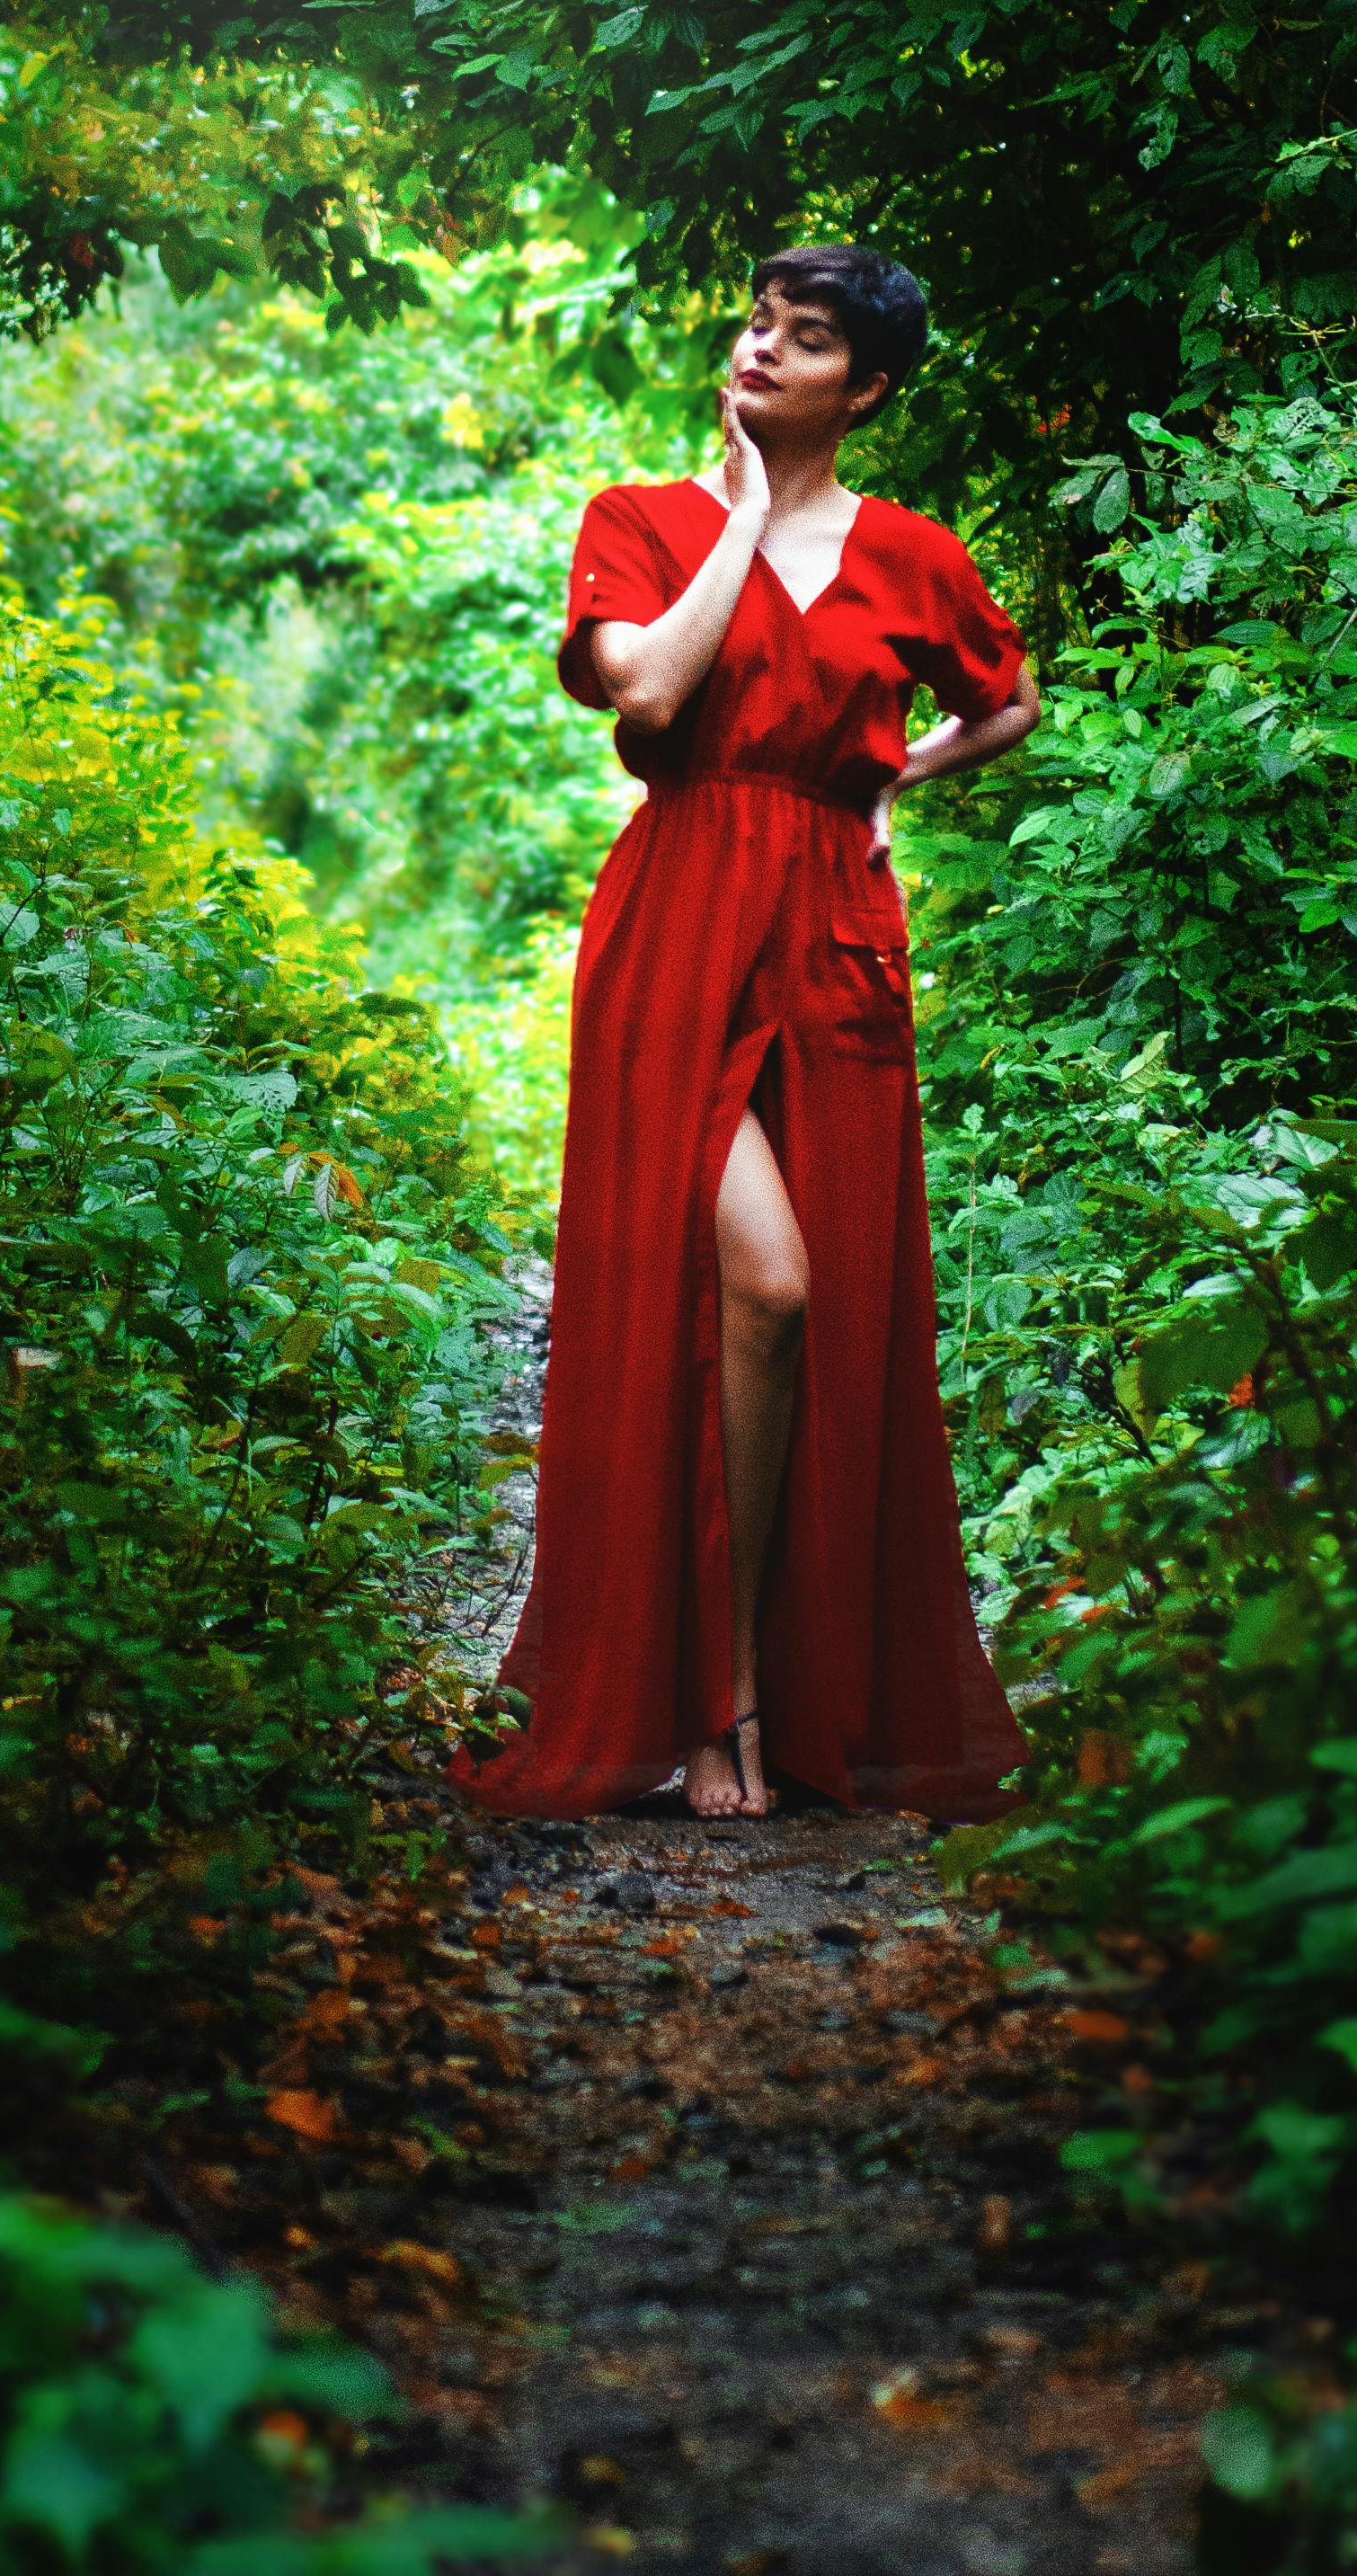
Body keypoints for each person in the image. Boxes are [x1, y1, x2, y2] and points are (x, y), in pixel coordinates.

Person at [458, 243, 1041, 1825]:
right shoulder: (643, 522)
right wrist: (737, 516)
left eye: (808, 340)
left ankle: (784, 1696)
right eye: (758, 326)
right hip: (677, 918)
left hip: (839, 932)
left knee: (824, 1307)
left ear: (866, 386)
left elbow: (1010, 699)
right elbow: (645, 694)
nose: (764, 352)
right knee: (757, 1286)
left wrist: (890, 782)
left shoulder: (912, 553)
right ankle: (719, 1702)